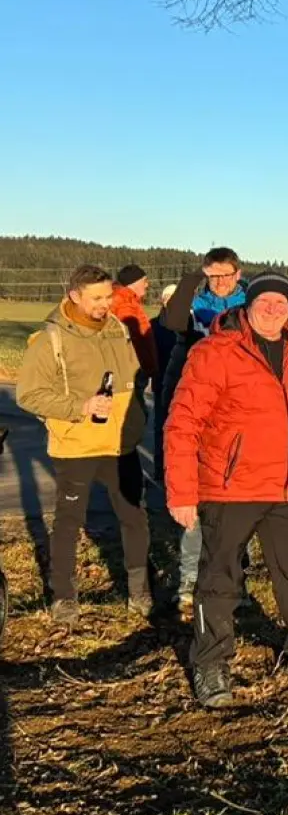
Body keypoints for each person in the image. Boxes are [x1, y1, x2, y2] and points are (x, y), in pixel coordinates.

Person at [164, 272, 288, 708]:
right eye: (266, 302)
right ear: (249, 306)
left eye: (282, 303)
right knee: (220, 580)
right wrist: (182, 491)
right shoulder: (215, 352)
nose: (274, 310)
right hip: (230, 487)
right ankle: (211, 664)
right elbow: (182, 423)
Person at [18, 264, 151, 623]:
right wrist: (81, 406)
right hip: (76, 445)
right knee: (68, 522)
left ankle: (140, 593)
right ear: (75, 296)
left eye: (108, 296)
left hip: (120, 445)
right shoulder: (51, 339)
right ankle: (64, 596)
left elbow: (133, 378)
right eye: (96, 298)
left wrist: (137, 415)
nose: (105, 304)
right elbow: (29, 394)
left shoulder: (117, 328)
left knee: (134, 518)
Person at [157, 247, 249, 609]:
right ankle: (189, 582)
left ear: (238, 273)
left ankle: (237, 581)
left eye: (226, 274)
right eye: (213, 275)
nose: (221, 282)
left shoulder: (250, 305)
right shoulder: (196, 304)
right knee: (199, 500)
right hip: (201, 400)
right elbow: (174, 323)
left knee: (239, 506)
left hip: (237, 410)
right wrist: (193, 281)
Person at [111, 264, 157, 405]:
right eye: (144, 281)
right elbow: (134, 338)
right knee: (134, 412)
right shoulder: (125, 304)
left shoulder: (127, 300)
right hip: (132, 369)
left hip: (132, 368)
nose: (147, 285)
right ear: (135, 283)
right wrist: (147, 364)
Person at [153, 282, 179, 386]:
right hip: (162, 378)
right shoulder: (153, 325)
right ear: (163, 301)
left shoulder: (192, 322)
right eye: (168, 297)